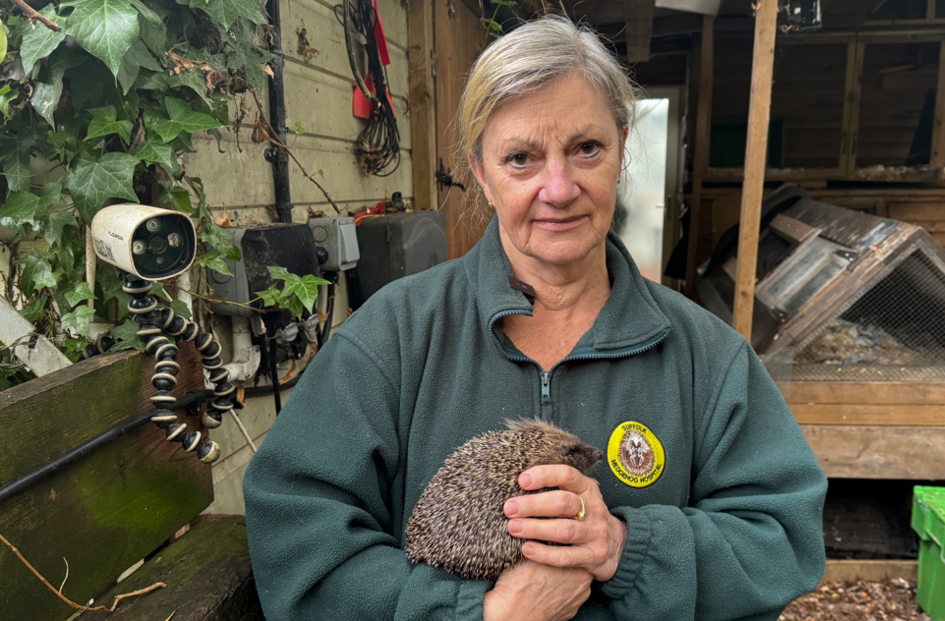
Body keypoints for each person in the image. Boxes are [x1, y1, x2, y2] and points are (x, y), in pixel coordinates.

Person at [243, 16, 826, 621]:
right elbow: (297, 537)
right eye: (521, 158)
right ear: (481, 173)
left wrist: (628, 548)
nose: (559, 187)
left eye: (586, 149)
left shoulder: (707, 357)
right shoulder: (391, 337)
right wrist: (478, 614)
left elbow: (782, 538)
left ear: (622, 147)